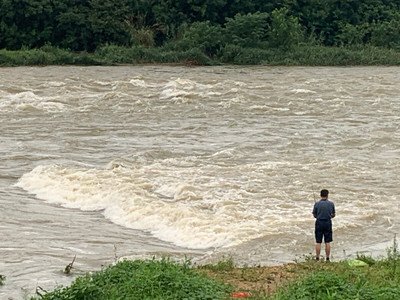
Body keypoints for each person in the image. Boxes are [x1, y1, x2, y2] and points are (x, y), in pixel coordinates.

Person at [312, 189, 335, 261]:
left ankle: (317, 257)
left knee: (318, 241)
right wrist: (330, 216)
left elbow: (314, 215)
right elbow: (333, 214)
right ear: (327, 195)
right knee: (327, 242)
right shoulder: (331, 204)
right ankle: (327, 258)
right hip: (327, 223)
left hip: (319, 222)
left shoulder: (317, 204)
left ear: (320, 195)